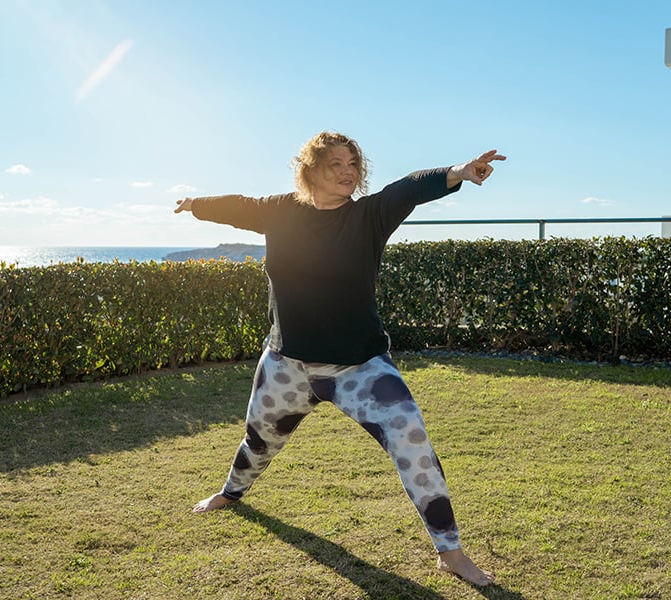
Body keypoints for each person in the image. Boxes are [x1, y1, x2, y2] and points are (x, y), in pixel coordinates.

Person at [175, 131, 505, 587]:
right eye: (336, 164)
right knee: (258, 441)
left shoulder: (369, 215)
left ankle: (450, 553)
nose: (348, 171)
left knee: (412, 441)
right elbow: (239, 207)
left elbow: (408, 188)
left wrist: (459, 173)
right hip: (286, 365)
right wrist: (195, 203)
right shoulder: (281, 211)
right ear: (311, 170)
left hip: (360, 368)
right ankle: (231, 494)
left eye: (353, 164)